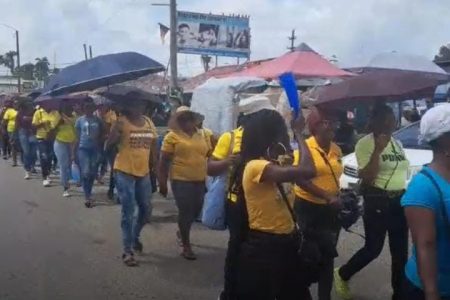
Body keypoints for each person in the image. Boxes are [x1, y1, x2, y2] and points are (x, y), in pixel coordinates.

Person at [232, 109, 315, 300]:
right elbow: (308, 170)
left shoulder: (276, 163)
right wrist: (300, 134)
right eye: (282, 132)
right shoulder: (256, 167)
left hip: (288, 242)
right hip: (264, 247)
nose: (285, 136)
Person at [334, 104, 410, 300]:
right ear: (378, 121)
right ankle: (342, 273)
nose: (392, 121)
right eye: (389, 117)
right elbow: (367, 177)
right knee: (373, 249)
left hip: (399, 201)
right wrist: (377, 150)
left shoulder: (397, 143)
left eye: (393, 117)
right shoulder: (365, 143)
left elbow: (403, 169)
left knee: (400, 253)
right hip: (378, 201)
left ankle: (399, 294)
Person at [208, 96, 275, 300]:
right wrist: (230, 162)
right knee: (237, 249)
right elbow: (210, 168)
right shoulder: (230, 137)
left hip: (266, 206)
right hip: (238, 204)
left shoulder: (271, 140)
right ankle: (230, 294)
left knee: (260, 253)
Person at [293, 107, 342, 300]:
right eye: (327, 122)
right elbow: (300, 179)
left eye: (333, 122)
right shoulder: (306, 148)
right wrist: (326, 195)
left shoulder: (337, 149)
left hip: (330, 211)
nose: (332, 126)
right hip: (308, 209)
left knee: (328, 257)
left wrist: (337, 196)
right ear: (315, 126)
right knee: (309, 256)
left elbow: (335, 175)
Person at [401, 104, 450, 300]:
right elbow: (425, 245)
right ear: (446, 141)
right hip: (432, 289)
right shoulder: (423, 187)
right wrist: (431, 293)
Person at [106, 99, 158, 267]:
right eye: (135, 104)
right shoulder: (121, 122)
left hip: (144, 172)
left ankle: (134, 237)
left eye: (141, 104)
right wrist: (115, 133)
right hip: (124, 171)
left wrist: (155, 167)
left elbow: (153, 146)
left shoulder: (149, 122)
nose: (139, 107)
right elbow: (108, 146)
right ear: (128, 106)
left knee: (146, 209)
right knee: (128, 211)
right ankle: (127, 250)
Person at [158, 106, 212, 260]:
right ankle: (186, 245)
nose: (186, 121)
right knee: (186, 211)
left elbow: (209, 153)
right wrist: (162, 182)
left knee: (196, 211)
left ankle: (182, 231)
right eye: (182, 119)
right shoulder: (172, 136)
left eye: (188, 118)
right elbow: (163, 161)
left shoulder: (204, 134)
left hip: (200, 179)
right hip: (180, 180)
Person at [75, 101, 104, 207]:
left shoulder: (98, 121)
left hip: (95, 149)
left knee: (92, 173)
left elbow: (104, 134)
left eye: (90, 107)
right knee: (86, 172)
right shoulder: (79, 121)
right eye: (86, 107)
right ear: (83, 109)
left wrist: (99, 141)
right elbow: (77, 137)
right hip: (83, 149)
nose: (88, 109)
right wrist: (74, 153)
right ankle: (87, 196)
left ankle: (89, 191)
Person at [52, 102, 77, 197]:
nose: (69, 109)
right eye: (67, 107)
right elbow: (53, 130)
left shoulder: (74, 116)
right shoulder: (58, 117)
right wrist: (59, 123)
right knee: (63, 165)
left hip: (72, 143)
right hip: (60, 142)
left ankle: (67, 179)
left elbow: (76, 128)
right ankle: (65, 187)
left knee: (70, 164)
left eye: (70, 107)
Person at [32, 103, 57, 187]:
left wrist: (52, 129)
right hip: (41, 138)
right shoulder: (38, 112)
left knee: (50, 157)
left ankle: (48, 172)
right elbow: (34, 125)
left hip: (52, 137)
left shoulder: (55, 113)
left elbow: (57, 125)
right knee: (44, 156)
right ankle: (45, 177)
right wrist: (42, 123)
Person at [15, 100, 37, 179]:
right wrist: (15, 137)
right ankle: (27, 170)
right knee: (26, 152)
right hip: (23, 132)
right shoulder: (19, 114)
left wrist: (31, 119)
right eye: (27, 105)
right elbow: (17, 125)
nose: (29, 107)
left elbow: (37, 121)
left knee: (33, 152)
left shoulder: (35, 112)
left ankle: (33, 166)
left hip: (33, 133)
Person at [2, 100, 18, 166]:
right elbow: (4, 121)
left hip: (20, 129)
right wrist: (3, 129)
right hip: (11, 130)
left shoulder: (20, 110)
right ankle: (14, 161)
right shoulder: (8, 111)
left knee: (17, 145)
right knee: (13, 145)